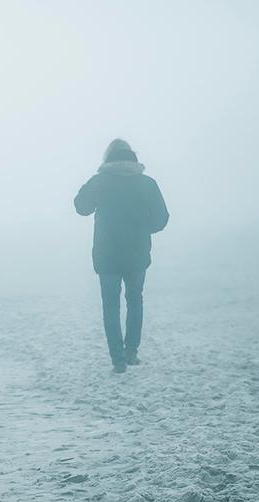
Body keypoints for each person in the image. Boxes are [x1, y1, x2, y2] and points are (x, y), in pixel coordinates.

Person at [74, 138, 169, 373]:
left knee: (110, 305)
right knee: (135, 300)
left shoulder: (100, 182)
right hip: (137, 254)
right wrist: (143, 228)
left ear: (108, 159)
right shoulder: (147, 184)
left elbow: (81, 207)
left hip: (107, 255)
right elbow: (161, 218)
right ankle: (131, 352)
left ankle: (117, 359)